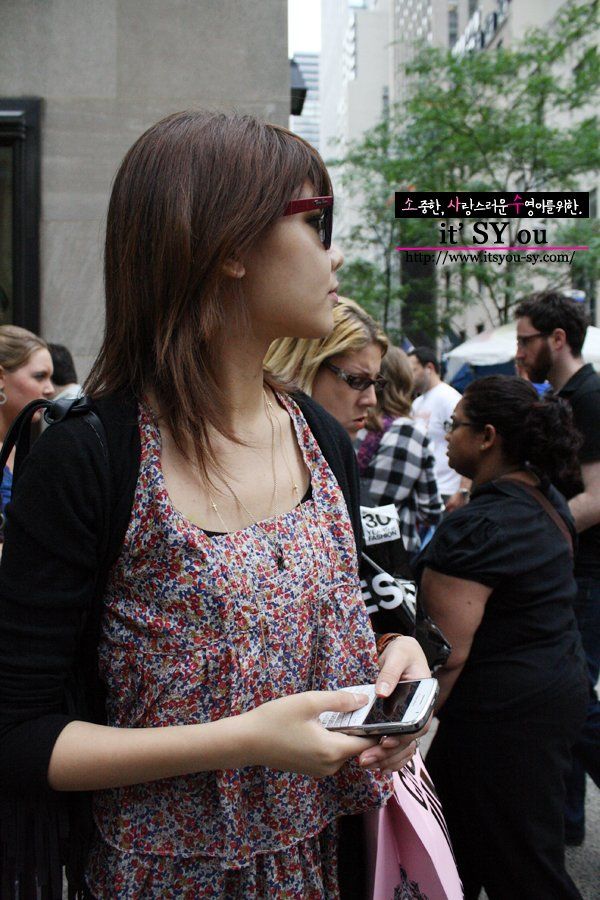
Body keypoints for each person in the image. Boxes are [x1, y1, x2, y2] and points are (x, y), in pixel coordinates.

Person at [0, 111, 430, 899]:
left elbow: (355, 613)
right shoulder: (93, 457)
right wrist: (243, 741)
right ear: (229, 245)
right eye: (317, 222)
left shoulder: (320, 436)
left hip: (325, 862)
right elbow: (20, 734)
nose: (334, 254)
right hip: (160, 876)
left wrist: (397, 657)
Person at [417, 375, 587, 899]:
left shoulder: (478, 528)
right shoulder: (545, 498)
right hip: (549, 696)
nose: (447, 436)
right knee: (450, 850)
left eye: (455, 425)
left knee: (524, 867)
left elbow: (446, 654)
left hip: (502, 721)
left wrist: (403, 735)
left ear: (487, 436)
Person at [515, 290, 600, 846]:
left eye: (526, 341)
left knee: (574, 702)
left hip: (587, 573)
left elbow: (597, 497)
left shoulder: (590, 397)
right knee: (568, 703)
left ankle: (562, 823)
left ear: (558, 339)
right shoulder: (566, 396)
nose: (520, 352)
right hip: (574, 569)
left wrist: (535, 536)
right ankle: (565, 823)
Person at [356, 345, 443, 554]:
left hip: (350, 546)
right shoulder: (411, 433)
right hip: (392, 554)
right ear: (405, 380)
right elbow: (431, 510)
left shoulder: (351, 425)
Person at [0, 325, 54, 515]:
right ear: (1, 378)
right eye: (40, 376)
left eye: (50, 378)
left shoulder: (18, 450)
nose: (50, 389)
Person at [408, 347, 470, 512]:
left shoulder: (449, 398)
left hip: (448, 490)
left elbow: (468, 442)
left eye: (413, 370)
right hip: (425, 489)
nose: (409, 376)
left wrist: (463, 490)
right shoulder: (417, 403)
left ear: (429, 368)